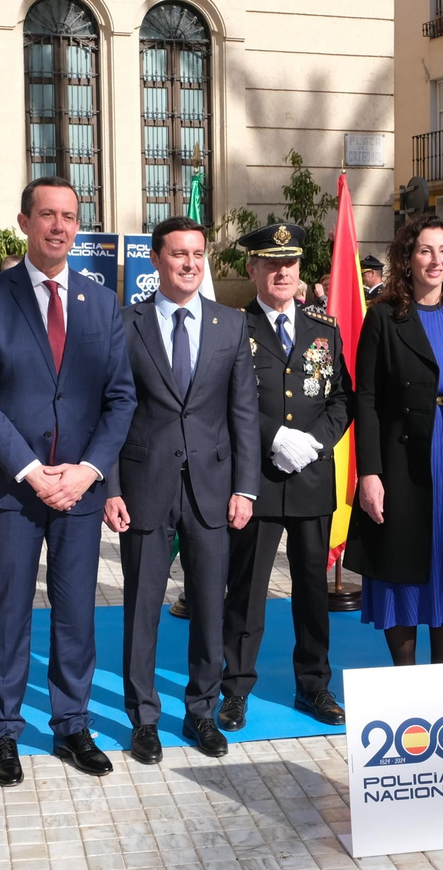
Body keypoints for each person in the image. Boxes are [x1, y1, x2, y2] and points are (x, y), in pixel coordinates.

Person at [0, 177, 138, 785]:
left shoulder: (101, 302)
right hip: (13, 489)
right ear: (24, 222)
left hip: (80, 489)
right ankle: (4, 731)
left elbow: (120, 398)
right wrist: (34, 473)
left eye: (69, 216)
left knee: (77, 613)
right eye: (47, 215)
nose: (59, 226)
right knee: (9, 611)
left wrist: (88, 472)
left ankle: (72, 726)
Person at [104, 215, 259, 763]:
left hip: (213, 489)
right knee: (142, 607)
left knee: (210, 608)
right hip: (143, 486)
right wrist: (110, 487)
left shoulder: (230, 324)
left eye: (198, 253)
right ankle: (143, 719)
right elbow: (111, 409)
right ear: (155, 260)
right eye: (178, 254)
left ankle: (201, 712)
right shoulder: (126, 323)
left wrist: (246, 488)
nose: (190, 263)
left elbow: (244, 414)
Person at [345, 214, 443, 666]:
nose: (435, 260)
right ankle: (406, 678)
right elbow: (367, 399)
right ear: (408, 259)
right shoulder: (383, 317)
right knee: (403, 559)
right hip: (403, 459)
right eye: (425, 251)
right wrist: (369, 473)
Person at [220, 223, 354, 733]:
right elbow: (224, 402)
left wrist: (314, 443)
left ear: (300, 270)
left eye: (290, 264)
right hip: (256, 479)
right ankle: (235, 688)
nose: (282, 272)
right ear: (252, 269)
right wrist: (274, 436)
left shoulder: (324, 328)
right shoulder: (234, 327)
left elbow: (341, 398)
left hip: (311, 477)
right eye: (271, 264)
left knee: (312, 591)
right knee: (247, 590)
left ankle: (314, 684)